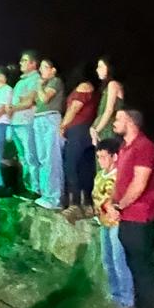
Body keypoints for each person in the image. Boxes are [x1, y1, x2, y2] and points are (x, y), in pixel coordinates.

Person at [110, 109, 154, 308]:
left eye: (118, 119)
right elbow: (120, 180)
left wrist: (119, 206)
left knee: (143, 269)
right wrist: (113, 204)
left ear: (130, 122)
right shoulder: (125, 147)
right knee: (134, 266)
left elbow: (139, 184)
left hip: (141, 216)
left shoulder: (144, 147)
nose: (114, 123)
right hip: (127, 216)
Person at [92, 137, 134, 308]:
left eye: (104, 157)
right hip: (104, 223)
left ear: (115, 157)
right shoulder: (100, 175)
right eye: (98, 157)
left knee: (119, 262)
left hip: (117, 223)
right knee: (107, 260)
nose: (100, 161)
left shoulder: (120, 176)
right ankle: (116, 297)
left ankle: (128, 302)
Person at [60, 73, 98, 216]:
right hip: (86, 130)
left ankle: (75, 203)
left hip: (78, 130)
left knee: (72, 165)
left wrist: (63, 125)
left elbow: (75, 107)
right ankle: (87, 202)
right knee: (85, 166)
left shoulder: (84, 86)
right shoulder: (94, 90)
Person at [32, 58, 66, 209]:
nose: (41, 70)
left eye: (44, 67)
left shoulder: (55, 81)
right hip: (39, 119)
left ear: (53, 70)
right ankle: (46, 194)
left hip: (50, 118)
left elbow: (45, 99)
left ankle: (55, 198)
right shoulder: (45, 84)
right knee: (43, 158)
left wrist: (39, 86)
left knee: (52, 158)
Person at [9, 51, 42, 195]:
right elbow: (20, 101)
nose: (21, 63)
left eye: (24, 60)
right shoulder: (20, 82)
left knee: (31, 155)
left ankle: (36, 188)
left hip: (26, 122)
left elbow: (28, 102)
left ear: (33, 64)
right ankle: (27, 185)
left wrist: (13, 107)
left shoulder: (36, 79)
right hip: (16, 122)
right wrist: (17, 105)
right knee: (22, 157)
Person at [89, 56, 124, 144]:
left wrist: (97, 130)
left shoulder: (113, 84)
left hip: (109, 129)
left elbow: (109, 110)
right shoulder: (106, 88)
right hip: (104, 129)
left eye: (100, 66)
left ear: (109, 68)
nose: (97, 69)